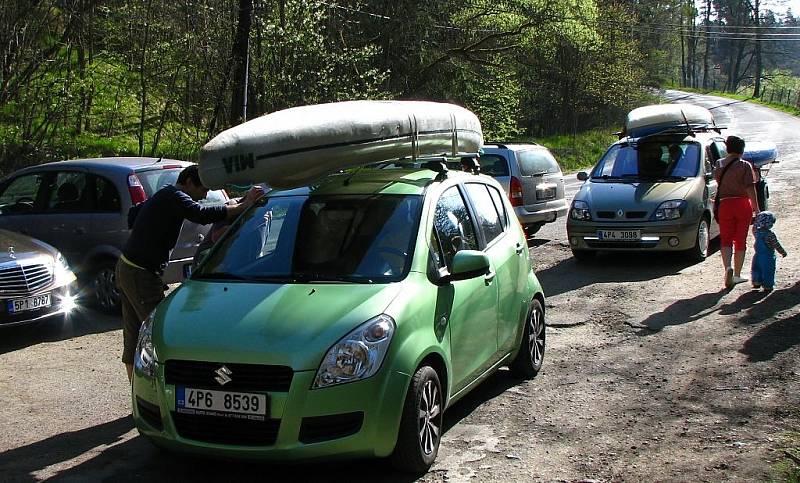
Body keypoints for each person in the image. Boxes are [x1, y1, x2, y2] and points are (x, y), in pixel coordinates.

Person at [116, 165, 264, 381]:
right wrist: (247, 205)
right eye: (203, 190)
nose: (204, 195)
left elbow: (133, 215)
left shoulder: (165, 194)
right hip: (141, 274)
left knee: (135, 334)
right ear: (188, 183)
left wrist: (243, 201)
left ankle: (135, 394)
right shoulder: (175, 196)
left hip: (127, 266)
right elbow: (202, 215)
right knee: (159, 333)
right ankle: (157, 395)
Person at [714, 135, 760, 288]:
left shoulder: (719, 164)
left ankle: (727, 268)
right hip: (742, 204)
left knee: (725, 239)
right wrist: (757, 209)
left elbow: (718, 182)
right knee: (740, 239)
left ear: (727, 148)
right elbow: (750, 188)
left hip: (724, 205)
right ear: (742, 149)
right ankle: (738, 275)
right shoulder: (744, 165)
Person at [750, 211, 787, 292]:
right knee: (768, 271)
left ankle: (756, 281)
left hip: (757, 255)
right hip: (768, 257)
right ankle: (768, 285)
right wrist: (783, 252)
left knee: (756, 268)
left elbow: (754, 227)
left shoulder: (756, 232)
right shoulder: (770, 235)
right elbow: (776, 245)